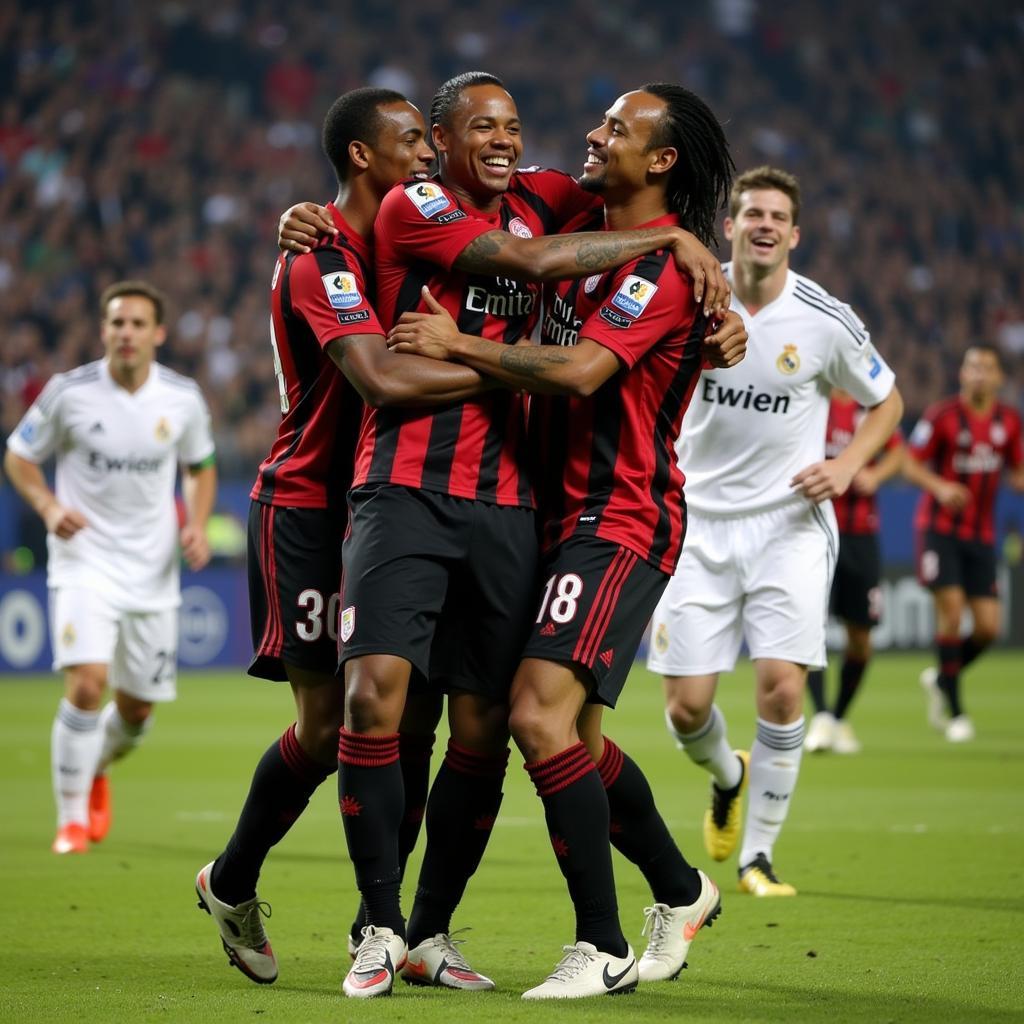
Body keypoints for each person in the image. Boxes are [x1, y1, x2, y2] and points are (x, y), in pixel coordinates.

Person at [280, 70, 734, 999]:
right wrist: (311, 212)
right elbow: (532, 262)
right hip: (519, 504)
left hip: (614, 508)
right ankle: (679, 892)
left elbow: (577, 368)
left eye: (614, 127)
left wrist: (463, 345)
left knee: (526, 718)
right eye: (478, 125)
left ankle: (600, 942)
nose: (587, 136)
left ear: (661, 158)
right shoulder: (556, 219)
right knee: (569, 737)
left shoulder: (621, 242)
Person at [194, 86, 505, 986]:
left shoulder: (402, 242)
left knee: (408, 713)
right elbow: (378, 381)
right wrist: (526, 379)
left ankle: (386, 923)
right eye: (411, 141)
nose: (426, 155)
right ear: (364, 157)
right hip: (309, 504)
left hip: (391, 501)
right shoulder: (320, 251)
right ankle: (233, 876)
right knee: (332, 726)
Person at [646, 166, 903, 897]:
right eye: (750, 211)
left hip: (788, 524)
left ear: (794, 234)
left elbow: (887, 400)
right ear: (728, 227)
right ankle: (729, 776)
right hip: (693, 523)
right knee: (686, 708)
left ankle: (758, 856)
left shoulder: (825, 319)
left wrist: (849, 462)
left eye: (777, 216)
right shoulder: (689, 296)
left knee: (782, 691)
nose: (763, 223)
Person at [4, 280, 217, 855]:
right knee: (87, 683)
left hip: (152, 570)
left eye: (137, 324)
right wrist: (49, 506)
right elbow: (19, 455)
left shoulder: (182, 398)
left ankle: (96, 763)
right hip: (84, 561)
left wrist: (195, 521)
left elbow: (200, 466)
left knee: (137, 710)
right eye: (117, 323)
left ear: (158, 334)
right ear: (103, 330)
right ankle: (70, 820)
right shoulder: (67, 393)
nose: (126, 333)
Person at [904, 344, 1023, 742]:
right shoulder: (942, 416)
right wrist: (939, 486)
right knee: (951, 612)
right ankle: (956, 712)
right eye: (972, 366)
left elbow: (1017, 474)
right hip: (939, 529)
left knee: (989, 628)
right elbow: (909, 461)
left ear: (999, 378)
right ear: (962, 374)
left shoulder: (1010, 421)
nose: (979, 373)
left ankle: (942, 676)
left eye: (987, 368)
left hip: (981, 534)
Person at [804, 391, 905, 754]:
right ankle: (821, 717)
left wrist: (877, 474)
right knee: (809, 624)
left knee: (861, 636)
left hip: (862, 534)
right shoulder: (811, 398)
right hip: (811, 529)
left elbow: (898, 451)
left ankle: (840, 717)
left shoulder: (869, 407)